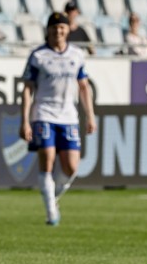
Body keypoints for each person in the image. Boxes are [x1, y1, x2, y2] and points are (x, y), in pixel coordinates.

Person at [19, 12, 96, 226]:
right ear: (48, 30)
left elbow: (84, 87)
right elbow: (27, 88)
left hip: (69, 115)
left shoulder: (77, 55)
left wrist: (90, 115)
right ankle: (51, 212)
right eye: (54, 28)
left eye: (61, 27)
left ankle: (53, 198)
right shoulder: (38, 55)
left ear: (67, 30)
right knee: (48, 158)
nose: (58, 31)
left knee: (71, 167)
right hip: (44, 113)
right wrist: (25, 120)